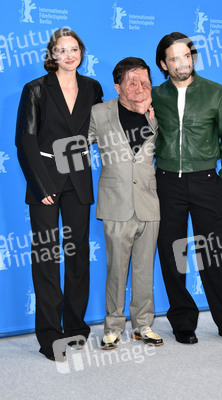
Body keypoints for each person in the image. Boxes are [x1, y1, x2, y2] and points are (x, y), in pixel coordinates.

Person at [152, 32, 222, 346]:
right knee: (174, 255)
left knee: (215, 255)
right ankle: (183, 321)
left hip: (207, 182)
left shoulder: (216, 92)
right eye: (175, 58)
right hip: (167, 182)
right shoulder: (155, 95)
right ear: (163, 64)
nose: (183, 63)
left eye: (187, 56)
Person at [15, 28, 103, 361]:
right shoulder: (35, 89)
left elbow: (99, 128)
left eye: (74, 49)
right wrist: (41, 185)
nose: (69, 55)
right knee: (47, 258)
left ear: (82, 52)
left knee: (78, 256)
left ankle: (77, 328)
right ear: (52, 55)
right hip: (46, 182)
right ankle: (50, 335)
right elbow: (25, 141)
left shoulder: (93, 88)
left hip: (79, 179)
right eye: (61, 50)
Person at [88, 57, 163, 350]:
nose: (139, 86)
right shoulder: (99, 112)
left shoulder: (158, 114)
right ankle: (113, 326)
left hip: (149, 201)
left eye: (145, 81)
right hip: (115, 201)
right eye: (132, 81)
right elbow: (80, 145)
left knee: (144, 268)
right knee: (116, 269)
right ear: (117, 85)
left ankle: (143, 324)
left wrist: (150, 118)